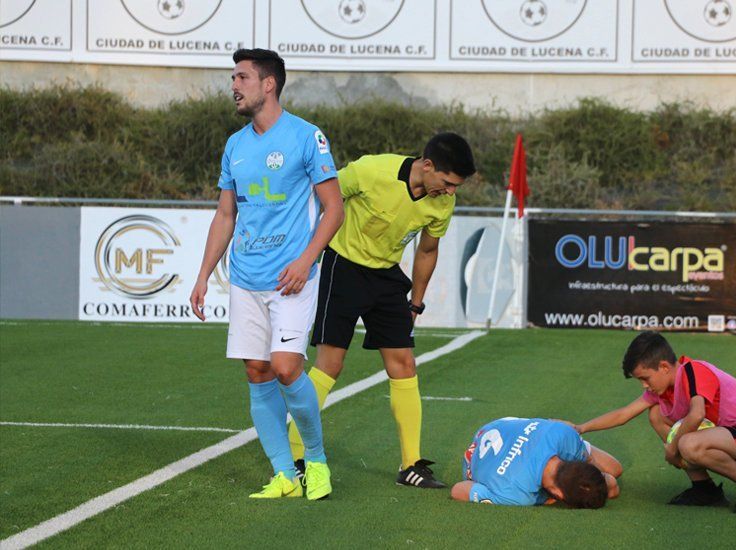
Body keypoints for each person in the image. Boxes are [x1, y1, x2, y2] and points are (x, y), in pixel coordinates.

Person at [189, 48, 344, 500]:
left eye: (241, 78)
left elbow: (334, 208)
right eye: (232, 79)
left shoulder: (305, 137)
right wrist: (203, 275)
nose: (233, 86)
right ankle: (283, 475)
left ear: (268, 84)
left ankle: (315, 461)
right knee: (257, 371)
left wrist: (306, 260)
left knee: (286, 366)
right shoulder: (235, 146)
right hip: (245, 278)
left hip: (292, 277)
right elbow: (225, 214)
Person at [285, 134, 476, 488]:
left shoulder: (441, 203)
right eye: (447, 183)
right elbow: (322, 196)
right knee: (330, 364)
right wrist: (304, 252)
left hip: (387, 276)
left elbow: (427, 251)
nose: (450, 192)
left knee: (403, 363)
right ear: (428, 165)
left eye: (455, 187)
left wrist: (415, 302)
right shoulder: (372, 170)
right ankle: (294, 456)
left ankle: (411, 464)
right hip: (343, 267)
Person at [569, 331, 736, 514]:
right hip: (726, 437)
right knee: (656, 414)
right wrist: (581, 428)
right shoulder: (664, 389)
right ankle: (704, 489)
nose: (644, 386)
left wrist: (672, 448)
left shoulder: (694, 371)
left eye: (646, 378)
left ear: (664, 367)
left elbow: (696, 415)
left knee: (688, 444)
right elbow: (624, 414)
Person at [450, 417, 621, 507]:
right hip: (471, 460)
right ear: (559, 495)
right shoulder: (518, 496)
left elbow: (611, 484)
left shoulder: (566, 435)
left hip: (500, 426)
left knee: (615, 470)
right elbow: (458, 489)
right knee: (611, 478)